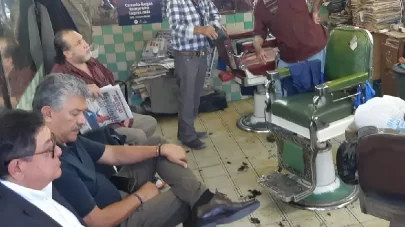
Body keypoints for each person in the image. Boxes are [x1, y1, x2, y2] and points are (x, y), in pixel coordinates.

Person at [32, 73, 259, 227]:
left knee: (157, 146)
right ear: (48, 113)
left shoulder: (66, 138)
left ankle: (205, 203)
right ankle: (203, 207)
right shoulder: (52, 164)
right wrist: (141, 197)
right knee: (182, 198)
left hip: (115, 190)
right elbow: (97, 221)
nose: (82, 120)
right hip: (118, 219)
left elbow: (112, 153)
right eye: (75, 114)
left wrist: (161, 149)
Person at [0, 109, 84, 227]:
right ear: (17, 168)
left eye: (53, 141)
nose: (59, 151)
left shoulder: (32, 181)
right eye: (49, 149)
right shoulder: (7, 221)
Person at [51, 30, 158, 145]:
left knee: (150, 122)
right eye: (78, 43)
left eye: (83, 40)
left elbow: (111, 88)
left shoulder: (92, 62)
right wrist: (84, 89)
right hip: (96, 127)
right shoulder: (59, 74)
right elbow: (59, 102)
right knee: (138, 136)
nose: (86, 44)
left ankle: (125, 152)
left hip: (114, 116)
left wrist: (124, 114)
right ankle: (124, 155)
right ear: (67, 53)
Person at [167, 0, 221, 150]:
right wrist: (200, 30)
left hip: (201, 54)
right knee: (187, 97)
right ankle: (187, 136)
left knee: (196, 96)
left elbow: (214, 13)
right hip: (186, 57)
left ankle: (188, 129)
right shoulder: (176, 1)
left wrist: (213, 25)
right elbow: (176, 29)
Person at [248, 0, 327, 72]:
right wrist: (257, 47)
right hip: (289, 57)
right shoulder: (259, 7)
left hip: (313, 49)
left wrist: (315, 10)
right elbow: (259, 33)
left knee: (315, 86)